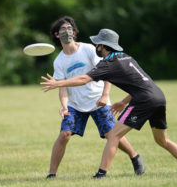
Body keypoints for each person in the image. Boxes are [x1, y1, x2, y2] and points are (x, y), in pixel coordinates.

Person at [41, 28, 177, 177]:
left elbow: (84, 79)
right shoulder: (126, 57)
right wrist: (124, 102)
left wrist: (57, 83)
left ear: (103, 46)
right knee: (162, 140)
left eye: (98, 44)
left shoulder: (108, 63)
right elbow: (142, 83)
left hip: (144, 100)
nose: (96, 46)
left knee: (113, 135)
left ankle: (101, 174)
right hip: (158, 96)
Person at [45, 16, 145, 179]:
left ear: (75, 32)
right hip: (75, 105)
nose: (68, 31)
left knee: (111, 135)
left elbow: (107, 72)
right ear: (57, 35)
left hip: (99, 100)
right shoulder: (59, 61)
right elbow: (62, 87)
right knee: (64, 135)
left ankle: (135, 157)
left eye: (70, 28)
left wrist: (105, 95)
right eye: (64, 29)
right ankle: (52, 174)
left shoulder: (88, 49)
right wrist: (64, 105)